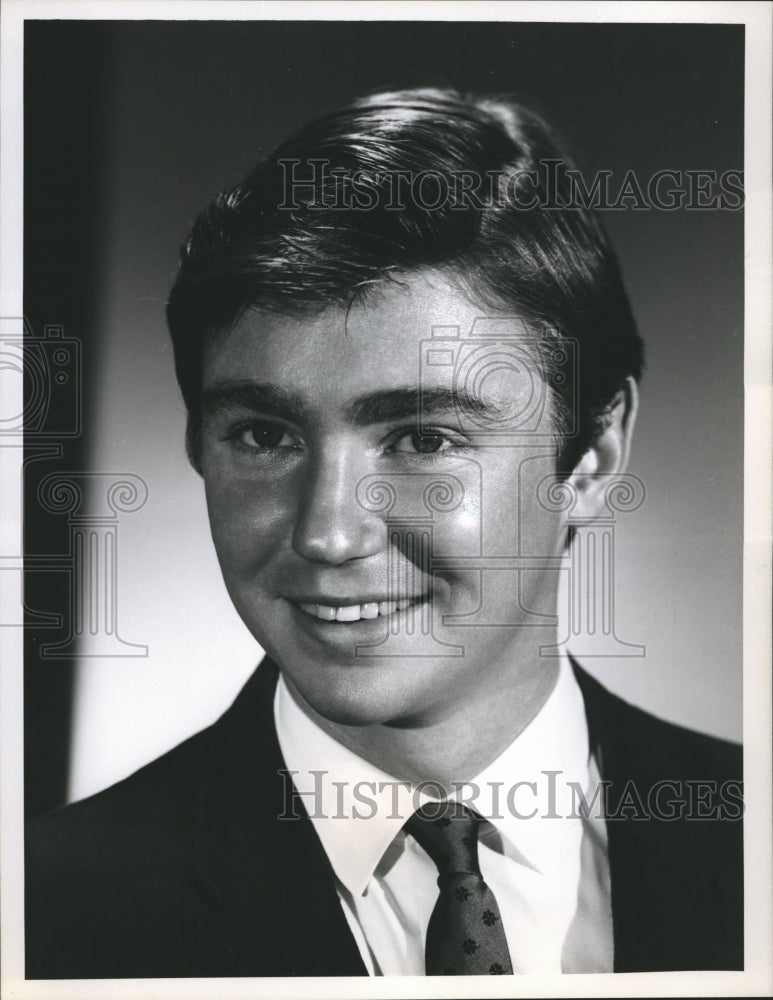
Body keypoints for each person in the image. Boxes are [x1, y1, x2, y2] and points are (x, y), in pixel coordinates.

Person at [26, 87, 743, 979]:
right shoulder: (42, 918)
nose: (327, 534)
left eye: (423, 439)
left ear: (591, 454)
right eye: (263, 435)